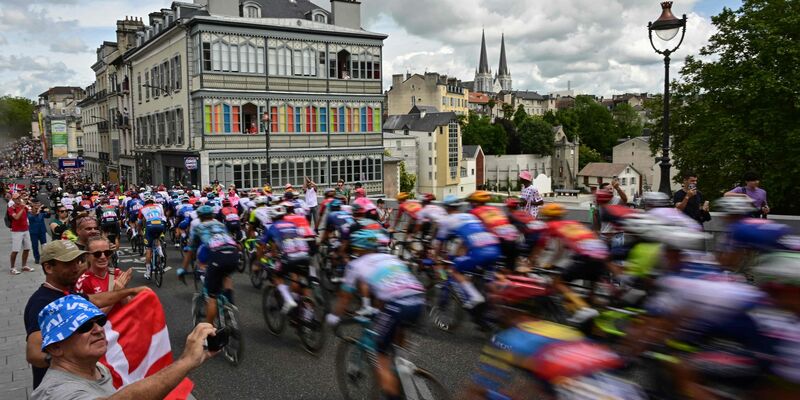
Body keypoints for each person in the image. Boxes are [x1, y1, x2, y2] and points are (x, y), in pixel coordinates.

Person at [31, 295, 218, 400]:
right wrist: (186, 361)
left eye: (99, 321)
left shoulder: (97, 368)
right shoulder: (55, 393)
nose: (97, 329)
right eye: (84, 327)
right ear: (55, 348)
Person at [24, 240, 145, 389]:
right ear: (48, 268)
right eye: (68, 263)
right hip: (62, 388)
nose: (76, 267)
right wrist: (74, 361)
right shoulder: (42, 302)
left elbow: (95, 299)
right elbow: (33, 353)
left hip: (81, 381)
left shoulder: (66, 293)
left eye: (77, 261)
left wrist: (130, 291)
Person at [326, 229, 425, 400]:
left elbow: (344, 297)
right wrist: (378, 309)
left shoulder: (355, 265)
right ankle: (402, 361)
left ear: (357, 248)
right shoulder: (391, 258)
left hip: (397, 306)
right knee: (399, 327)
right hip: (418, 299)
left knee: (381, 357)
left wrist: (335, 317)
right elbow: (388, 288)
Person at [8, 192, 34, 275]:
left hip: (25, 229)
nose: (19, 199)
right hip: (16, 231)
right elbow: (16, 217)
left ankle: (24, 266)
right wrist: (22, 207)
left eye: (20, 197)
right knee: (15, 250)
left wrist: (32, 205)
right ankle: (12, 268)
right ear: (13, 199)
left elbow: (31, 213)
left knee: (27, 248)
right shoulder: (11, 208)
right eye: (17, 198)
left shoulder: (23, 206)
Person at [28, 200, 50, 265]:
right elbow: (31, 218)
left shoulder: (41, 212)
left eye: (39, 204)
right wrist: (38, 211)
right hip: (33, 232)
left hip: (42, 231)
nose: (38, 206)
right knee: (35, 246)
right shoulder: (29, 212)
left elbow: (47, 216)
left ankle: (44, 258)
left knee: (44, 245)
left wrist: (47, 211)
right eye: (36, 204)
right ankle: (37, 259)